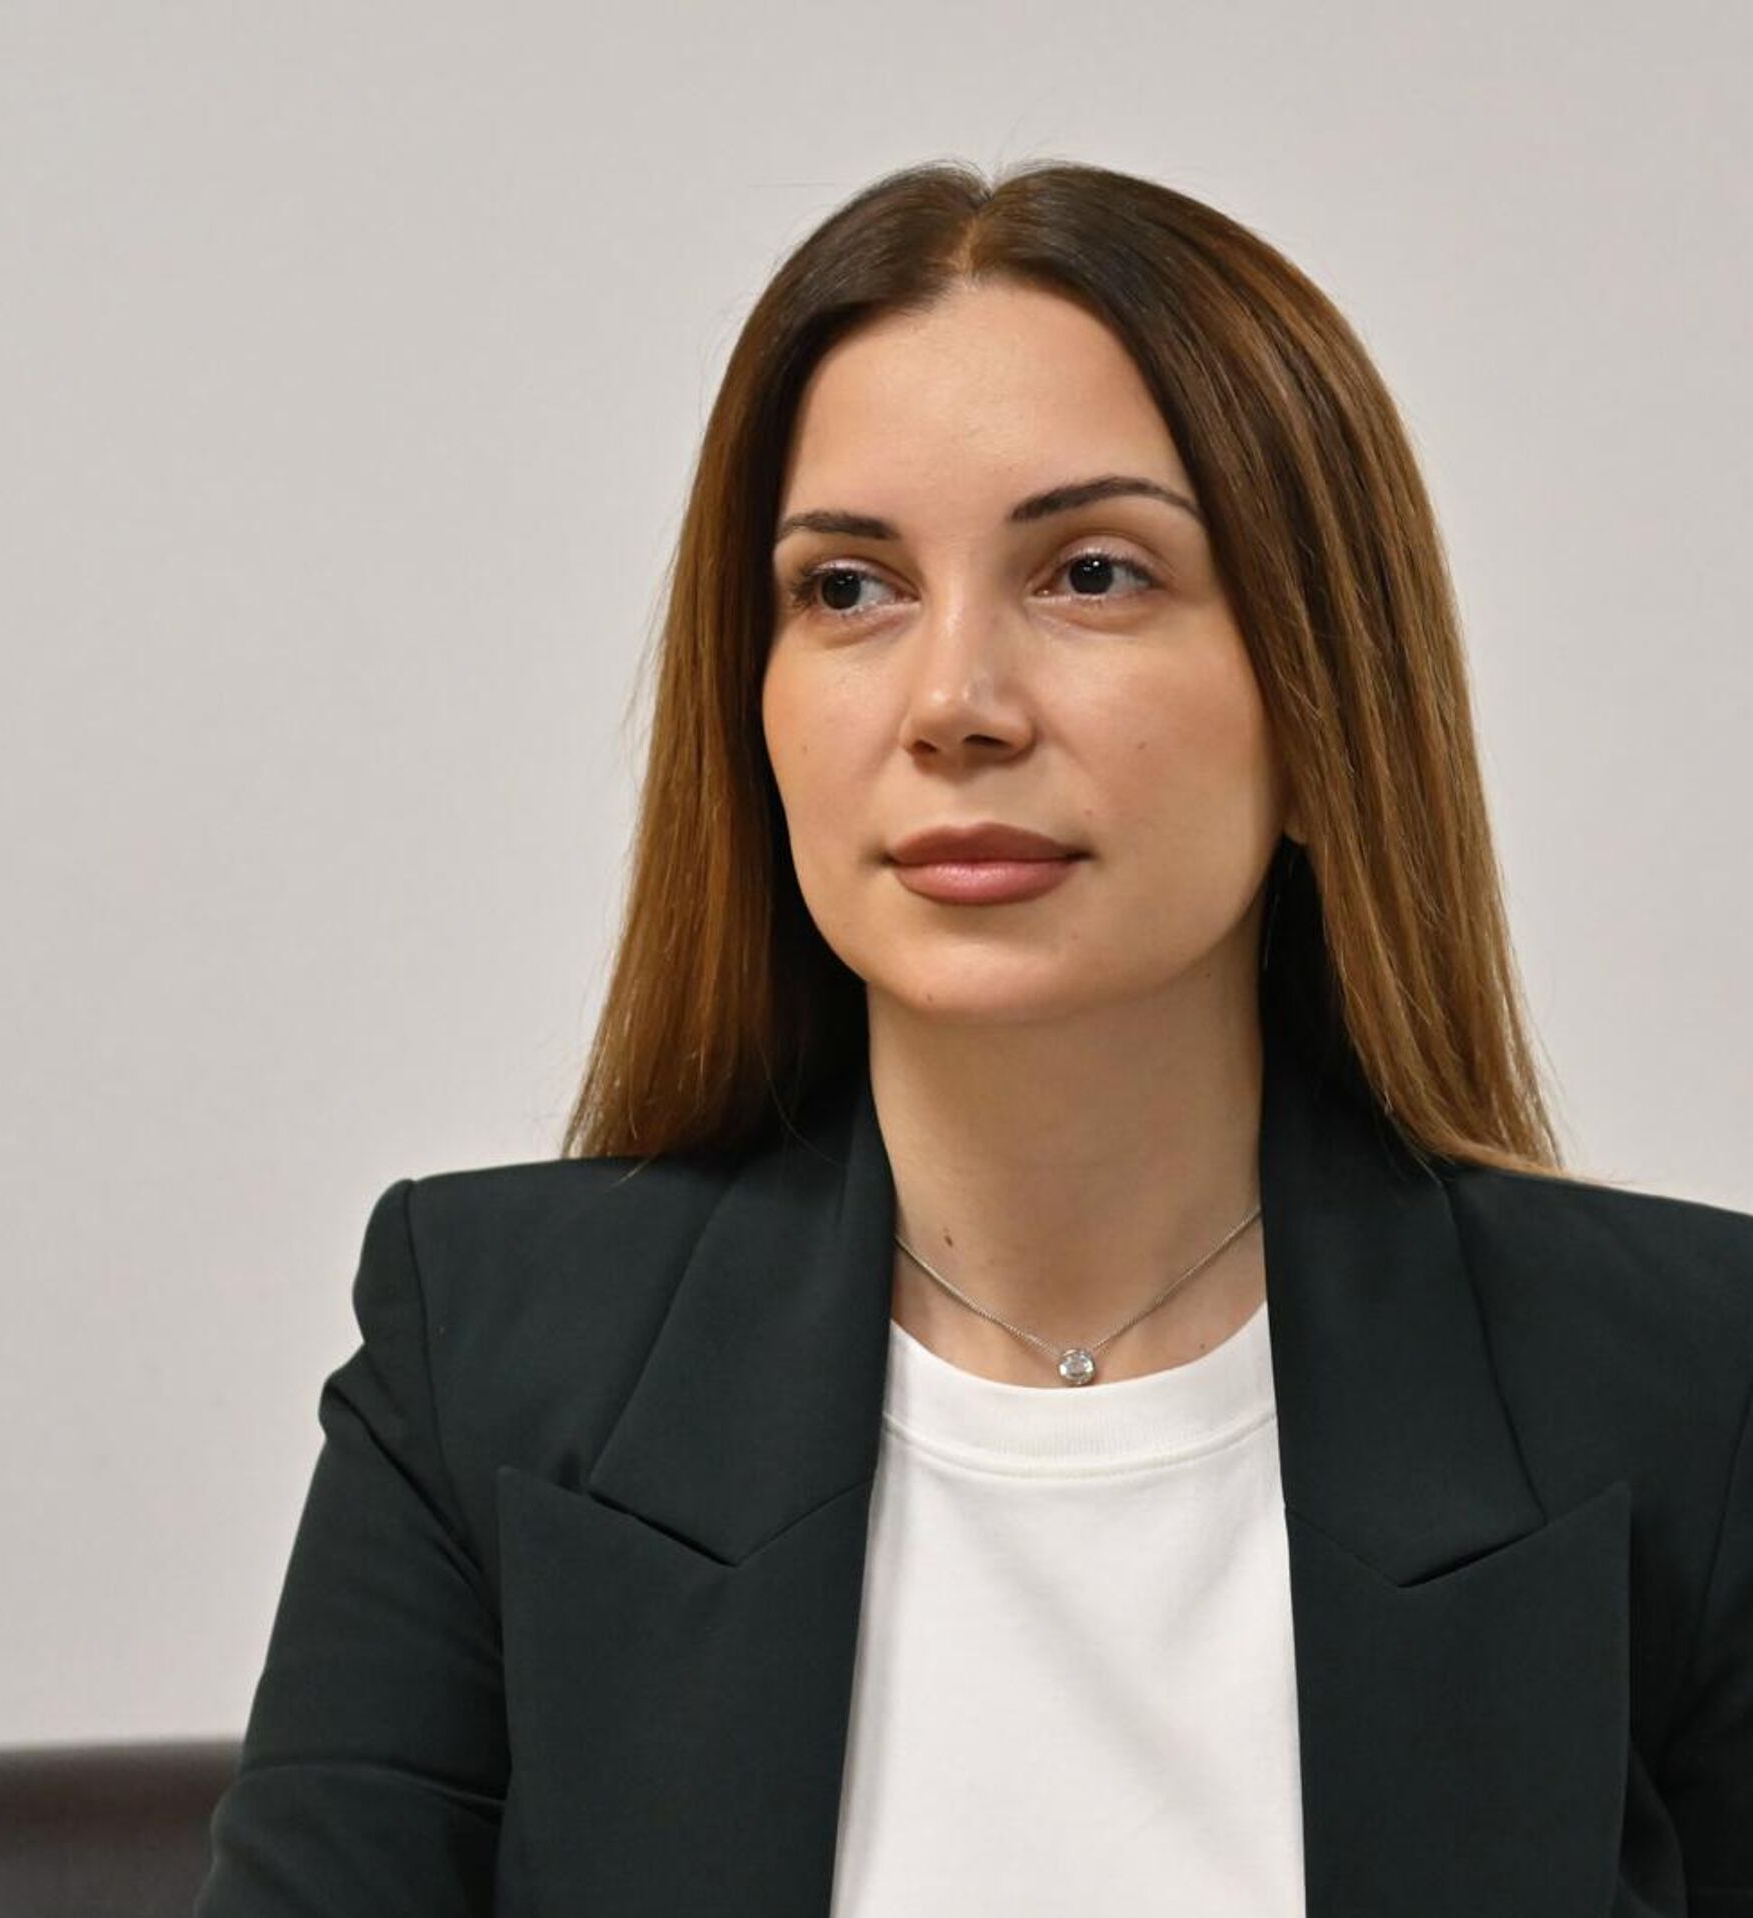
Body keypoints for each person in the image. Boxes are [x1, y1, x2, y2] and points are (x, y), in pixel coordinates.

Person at [193, 159, 1753, 1917]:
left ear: (1327, 702)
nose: (952, 705)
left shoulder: (1694, 1389)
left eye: (1090, 572)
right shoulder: (484, 1360)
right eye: (848, 588)